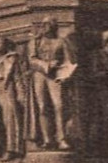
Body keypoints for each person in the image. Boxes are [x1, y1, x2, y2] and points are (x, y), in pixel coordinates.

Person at [29, 16, 74, 149]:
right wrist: (47, 65)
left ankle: (61, 138)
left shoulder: (61, 42)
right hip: (40, 75)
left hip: (56, 76)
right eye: (44, 25)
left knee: (59, 106)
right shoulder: (35, 42)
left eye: (49, 25)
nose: (46, 27)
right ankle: (47, 139)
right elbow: (32, 60)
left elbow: (68, 60)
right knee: (42, 107)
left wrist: (65, 73)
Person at [0, 38, 25, 160]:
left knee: (10, 118)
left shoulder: (12, 59)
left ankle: (12, 149)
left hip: (8, 88)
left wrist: (21, 93)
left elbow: (18, 77)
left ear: (6, 45)